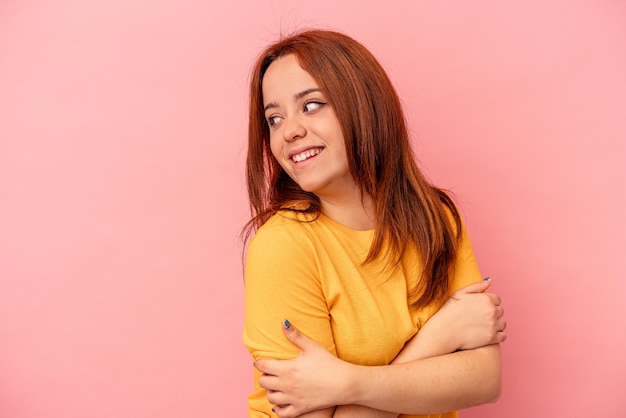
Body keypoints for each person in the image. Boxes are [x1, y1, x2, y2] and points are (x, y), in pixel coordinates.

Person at [242, 29, 507, 418]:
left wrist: (346, 384)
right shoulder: (283, 246)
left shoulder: (436, 218)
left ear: (364, 105)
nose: (289, 130)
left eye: (311, 105)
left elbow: (486, 380)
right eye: (274, 118)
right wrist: (437, 337)